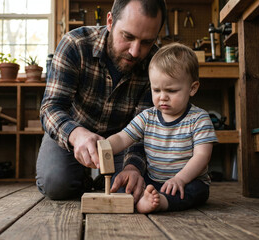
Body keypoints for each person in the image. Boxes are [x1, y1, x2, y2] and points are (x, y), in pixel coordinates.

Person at [36, 0, 167, 200]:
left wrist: (133, 166)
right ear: (110, 21)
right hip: (73, 130)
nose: (135, 51)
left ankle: (102, 178)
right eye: (128, 36)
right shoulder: (75, 44)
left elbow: (145, 128)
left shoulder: (155, 64)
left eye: (147, 42)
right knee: (57, 184)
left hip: (125, 139)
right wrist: (76, 134)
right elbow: (50, 107)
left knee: (129, 191)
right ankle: (82, 177)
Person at [108, 43, 218, 213]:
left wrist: (180, 179)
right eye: (156, 90)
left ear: (192, 88)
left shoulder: (199, 119)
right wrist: (104, 146)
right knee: (124, 179)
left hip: (188, 180)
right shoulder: (147, 116)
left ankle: (160, 203)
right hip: (153, 179)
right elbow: (123, 137)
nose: (162, 97)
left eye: (171, 91)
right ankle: (143, 197)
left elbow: (202, 156)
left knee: (196, 191)